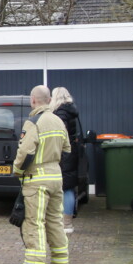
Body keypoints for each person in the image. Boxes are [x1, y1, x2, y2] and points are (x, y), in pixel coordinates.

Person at [9, 85, 70, 264]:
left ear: (33, 100)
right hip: (56, 177)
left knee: (34, 223)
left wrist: (17, 170)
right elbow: (67, 149)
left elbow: (26, 151)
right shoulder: (59, 121)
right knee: (55, 221)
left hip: (37, 180)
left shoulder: (33, 122)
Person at [50, 87, 82, 235]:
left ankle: (65, 223)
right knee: (68, 187)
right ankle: (67, 222)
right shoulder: (72, 111)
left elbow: (59, 135)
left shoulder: (60, 113)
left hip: (64, 153)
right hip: (72, 152)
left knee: (65, 188)